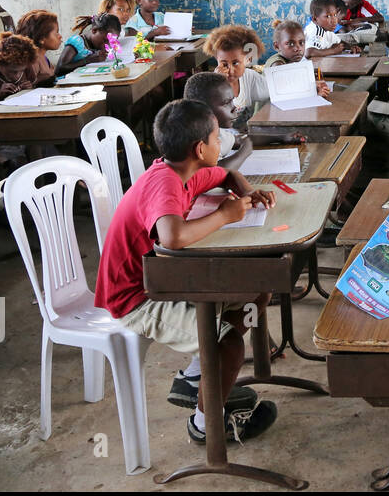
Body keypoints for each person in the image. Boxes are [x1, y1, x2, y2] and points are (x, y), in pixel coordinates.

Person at [94, 99, 277, 442]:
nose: (221, 144)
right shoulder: (164, 183)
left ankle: (203, 379)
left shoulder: (185, 170)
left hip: (165, 278)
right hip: (137, 297)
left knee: (259, 290)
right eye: (216, 138)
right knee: (230, 343)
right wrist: (224, 215)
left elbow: (226, 173)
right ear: (199, 148)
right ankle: (205, 426)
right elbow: (173, 237)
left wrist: (248, 193)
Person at [184, 71, 254, 171]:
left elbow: (239, 140)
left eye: (232, 101)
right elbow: (215, 173)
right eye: (226, 103)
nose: (234, 108)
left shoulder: (216, 132)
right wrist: (244, 152)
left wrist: (278, 137)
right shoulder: (196, 141)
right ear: (203, 109)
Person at [206, 25, 270, 122]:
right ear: (216, 59)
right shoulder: (212, 84)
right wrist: (218, 83)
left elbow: (271, 92)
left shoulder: (249, 76)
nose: (230, 70)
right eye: (224, 64)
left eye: (235, 63)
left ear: (248, 59)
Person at [56, 12, 123, 77]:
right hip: (66, 83)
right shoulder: (77, 42)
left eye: (110, 43)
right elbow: (59, 70)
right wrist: (88, 60)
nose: (106, 45)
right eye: (105, 40)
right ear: (94, 30)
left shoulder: (96, 46)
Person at [14, 10, 62, 86]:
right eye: (56, 33)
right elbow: (28, 87)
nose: (60, 36)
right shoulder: (33, 61)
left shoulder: (44, 57)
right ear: (41, 39)